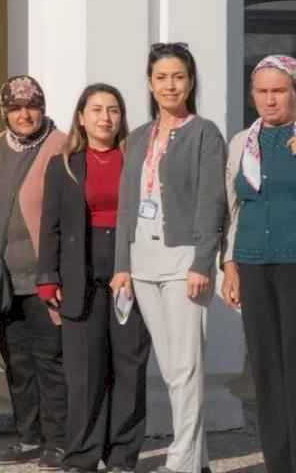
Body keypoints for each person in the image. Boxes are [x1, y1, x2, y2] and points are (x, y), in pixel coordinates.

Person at [112, 42, 225, 473]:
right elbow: (127, 204)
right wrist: (122, 264)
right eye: (161, 78)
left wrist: (202, 262)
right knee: (171, 365)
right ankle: (198, 461)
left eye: (178, 76)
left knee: (186, 367)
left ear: (191, 81)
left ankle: (181, 462)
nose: (170, 85)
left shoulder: (204, 133)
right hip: (142, 264)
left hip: (183, 263)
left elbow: (210, 201)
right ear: (149, 83)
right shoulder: (138, 136)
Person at [37, 84, 149, 473]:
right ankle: (82, 453)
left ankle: (121, 455)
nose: (106, 117)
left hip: (129, 271)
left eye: (114, 109)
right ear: (81, 117)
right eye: (97, 109)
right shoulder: (63, 164)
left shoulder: (138, 160)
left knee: (129, 366)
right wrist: (47, 278)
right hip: (78, 272)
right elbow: (49, 225)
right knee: (83, 370)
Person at [0, 75, 70, 469]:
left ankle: (58, 439)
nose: (24, 114)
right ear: (4, 111)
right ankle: (28, 435)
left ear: (43, 106)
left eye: (31, 105)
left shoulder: (62, 144)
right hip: (5, 278)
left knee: (50, 359)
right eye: (15, 107)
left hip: (46, 276)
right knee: (15, 360)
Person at [221, 55, 296, 473]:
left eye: (279, 91)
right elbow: (233, 209)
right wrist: (229, 264)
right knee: (266, 368)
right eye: (262, 92)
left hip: (293, 263)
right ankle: (278, 462)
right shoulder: (240, 143)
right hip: (252, 263)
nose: (270, 100)